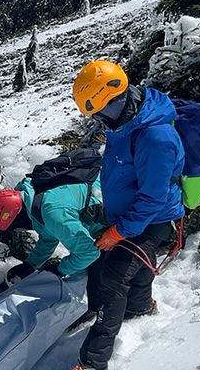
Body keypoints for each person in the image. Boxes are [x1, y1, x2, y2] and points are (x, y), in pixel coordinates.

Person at [70, 60, 184, 370]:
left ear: (114, 99)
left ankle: (92, 361)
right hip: (133, 217)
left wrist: (119, 232)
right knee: (134, 263)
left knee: (113, 277)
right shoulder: (125, 122)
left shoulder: (154, 136)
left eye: (100, 112)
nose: (99, 120)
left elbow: (152, 197)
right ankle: (139, 308)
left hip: (154, 220)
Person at [0, 171, 106, 326]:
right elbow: (49, 237)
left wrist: (60, 269)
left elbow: (89, 252)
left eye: (14, 228)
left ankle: (100, 312)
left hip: (118, 215)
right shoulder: (34, 200)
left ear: (18, 219)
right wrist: (30, 265)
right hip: (103, 202)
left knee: (98, 271)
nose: (18, 231)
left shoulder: (51, 212)